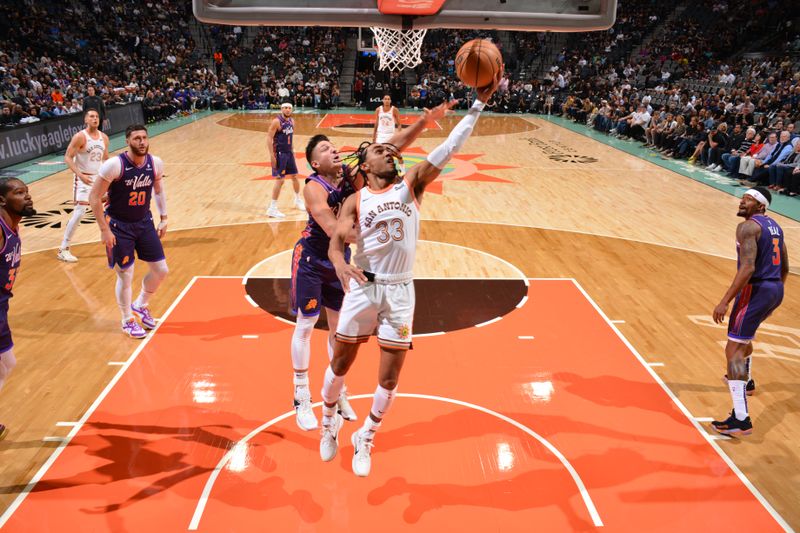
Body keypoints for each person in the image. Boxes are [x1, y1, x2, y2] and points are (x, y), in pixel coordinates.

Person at [319, 70, 502, 476]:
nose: (387, 151)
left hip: (401, 292)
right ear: (363, 164)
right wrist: (337, 259)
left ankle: (365, 434)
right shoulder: (355, 199)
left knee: (390, 377)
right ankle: (328, 419)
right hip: (364, 288)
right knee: (341, 364)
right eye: (378, 150)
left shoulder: (412, 184)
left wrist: (478, 104)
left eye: (388, 150)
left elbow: (451, 147)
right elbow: (336, 241)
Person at [289, 101, 456, 432]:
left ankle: (337, 393)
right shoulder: (313, 187)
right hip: (311, 259)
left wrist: (423, 121)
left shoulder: (352, 176)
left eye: (334, 146)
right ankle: (301, 396)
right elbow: (334, 230)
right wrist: (380, 221)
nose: (333, 151)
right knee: (306, 325)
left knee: (339, 332)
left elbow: (390, 149)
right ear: (314, 162)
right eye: (325, 149)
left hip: (342, 265)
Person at [711, 187, 788, 436]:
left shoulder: (748, 228)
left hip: (756, 290)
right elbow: (785, 266)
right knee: (744, 339)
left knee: (733, 350)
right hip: (774, 288)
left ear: (761, 206)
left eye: (749, 199)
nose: (743, 202)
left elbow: (747, 268)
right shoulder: (774, 226)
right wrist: (774, 294)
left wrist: (724, 301)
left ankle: (741, 419)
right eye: (743, 198)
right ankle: (749, 382)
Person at [89, 125, 169, 339]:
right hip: (118, 225)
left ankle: (141, 304)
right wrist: (104, 229)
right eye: (136, 138)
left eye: (144, 137)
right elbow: (94, 197)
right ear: (127, 141)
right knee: (126, 275)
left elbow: (159, 191)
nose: (142, 142)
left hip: (144, 222)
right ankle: (127, 319)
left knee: (161, 270)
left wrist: (164, 218)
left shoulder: (155, 163)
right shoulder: (114, 165)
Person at [0, 178, 36, 439]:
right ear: (2, 200)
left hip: (2, 306)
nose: (27, 197)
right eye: (19, 193)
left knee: (8, 363)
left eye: (27, 192)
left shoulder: (13, 225)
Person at [57, 110, 109, 262]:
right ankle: (63, 249)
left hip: (98, 178)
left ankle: (112, 237)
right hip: (82, 178)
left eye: (97, 117)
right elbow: (67, 157)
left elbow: (105, 159)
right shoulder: (80, 136)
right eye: (91, 116)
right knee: (80, 211)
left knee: (110, 207)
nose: (95, 119)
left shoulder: (104, 138)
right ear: (86, 119)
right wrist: (80, 175)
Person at [266, 103, 304, 218]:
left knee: (294, 176)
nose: (287, 110)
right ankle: (272, 208)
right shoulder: (276, 121)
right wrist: (272, 155)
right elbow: (269, 137)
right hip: (280, 154)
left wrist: (292, 149)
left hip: (289, 153)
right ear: (281, 109)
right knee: (280, 180)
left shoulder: (292, 121)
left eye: (289, 108)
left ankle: (297, 200)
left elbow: (290, 137)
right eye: (285, 108)